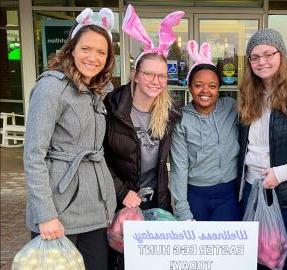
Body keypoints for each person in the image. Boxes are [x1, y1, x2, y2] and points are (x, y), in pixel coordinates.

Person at [23, 8, 117, 270]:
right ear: (71, 49)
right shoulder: (51, 87)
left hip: (94, 210)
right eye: (86, 48)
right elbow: (33, 155)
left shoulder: (96, 90)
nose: (93, 57)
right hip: (60, 210)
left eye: (102, 52)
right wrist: (45, 215)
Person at [103, 5, 184, 269]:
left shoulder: (169, 112)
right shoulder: (111, 107)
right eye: (148, 73)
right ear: (136, 75)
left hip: (156, 201)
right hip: (118, 202)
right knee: (121, 260)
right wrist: (122, 192)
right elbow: (96, 157)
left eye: (161, 75)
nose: (155, 80)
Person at [237, 28, 287, 270]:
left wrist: (280, 174)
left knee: (286, 261)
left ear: (281, 55)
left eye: (268, 54)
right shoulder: (249, 95)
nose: (262, 61)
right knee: (257, 261)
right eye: (255, 56)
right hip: (252, 191)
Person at [170, 41, 241, 221]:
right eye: (198, 85)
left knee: (227, 247)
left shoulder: (231, 108)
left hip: (229, 195)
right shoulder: (181, 120)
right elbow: (179, 168)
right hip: (196, 196)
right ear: (190, 87)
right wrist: (182, 210)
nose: (205, 91)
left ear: (219, 88)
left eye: (212, 85)